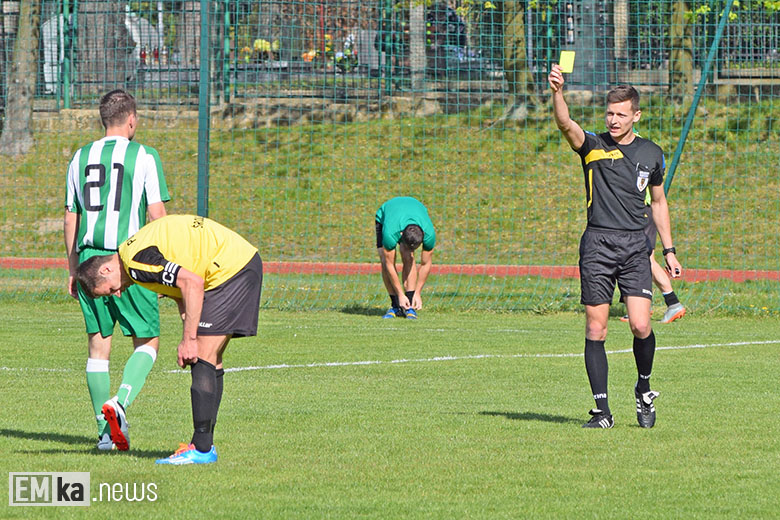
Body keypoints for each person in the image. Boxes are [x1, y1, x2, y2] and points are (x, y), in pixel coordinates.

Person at [548, 64, 682, 429]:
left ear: (636, 115)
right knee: (597, 328)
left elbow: (658, 202)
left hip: (635, 246)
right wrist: (558, 92)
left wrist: (668, 250)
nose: (613, 120)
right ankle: (602, 411)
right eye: (609, 113)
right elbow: (565, 125)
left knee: (640, 325)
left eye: (621, 114)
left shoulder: (652, 154)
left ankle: (643, 389)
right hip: (597, 245)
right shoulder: (592, 146)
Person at [76, 214, 263, 465]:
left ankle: (202, 450)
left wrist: (189, 339)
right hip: (235, 263)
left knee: (201, 356)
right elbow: (181, 291)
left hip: (230, 270)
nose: (118, 294)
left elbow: (192, 282)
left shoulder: (135, 263)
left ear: (106, 269)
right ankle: (204, 445)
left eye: (111, 289)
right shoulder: (133, 255)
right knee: (211, 359)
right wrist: (190, 326)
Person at [64, 89, 170, 451]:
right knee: (148, 340)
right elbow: (156, 214)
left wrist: (72, 267)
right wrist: (165, 265)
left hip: (90, 259)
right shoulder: (145, 155)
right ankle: (120, 403)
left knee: (98, 347)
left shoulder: (80, 157)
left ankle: (104, 435)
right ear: (131, 119)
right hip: (130, 259)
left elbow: (71, 214)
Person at [620, 198, 686, 324]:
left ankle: (672, 303)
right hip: (637, 209)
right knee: (642, 258)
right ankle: (641, 306)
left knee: (646, 259)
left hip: (640, 209)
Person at [375, 197, 436, 319]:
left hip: (414, 209)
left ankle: (409, 305)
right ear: (402, 235)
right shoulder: (390, 233)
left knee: (408, 256)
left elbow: (426, 264)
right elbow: (389, 265)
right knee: (384, 259)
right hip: (385, 215)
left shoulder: (429, 234)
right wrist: (399, 294)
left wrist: (417, 293)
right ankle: (396, 305)